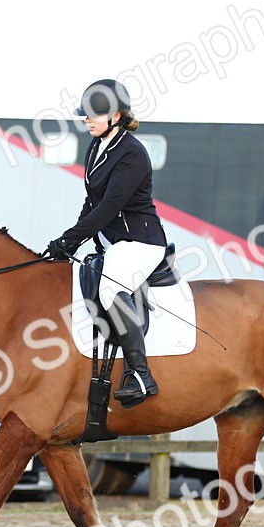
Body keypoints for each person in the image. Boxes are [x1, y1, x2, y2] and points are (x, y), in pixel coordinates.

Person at [46, 78, 168, 408]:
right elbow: (91, 202)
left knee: (110, 289)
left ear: (115, 116)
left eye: (92, 115)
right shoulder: (96, 146)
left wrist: (71, 238)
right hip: (113, 243)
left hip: (140, 241)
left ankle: (141, 374)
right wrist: (66, 243)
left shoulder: (132, 154)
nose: (85, 120)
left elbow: (109, 206)